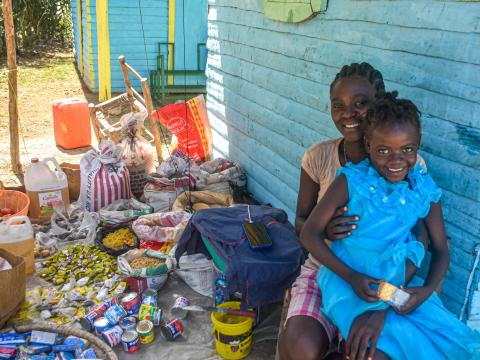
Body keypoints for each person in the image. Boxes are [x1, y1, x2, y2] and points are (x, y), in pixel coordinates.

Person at [301, 92, 480, 359]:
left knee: (447, 339)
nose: (396, 160)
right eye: (384, 150)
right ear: (368, 145)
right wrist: (351, 277)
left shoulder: (424, 189)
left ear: (418, 146)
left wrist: (425, 291)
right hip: (348, 281)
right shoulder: (351, 181)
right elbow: (309, 235)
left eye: (407, 149)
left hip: (395, 283)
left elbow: (441, 249)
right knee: (378, 350)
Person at [279, 62, 429, 360]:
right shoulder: (319, 157)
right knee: (299, 349)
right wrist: (323, 228)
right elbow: (301, 222)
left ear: (379, 106)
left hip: (383, 281)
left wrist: (386, 300)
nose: (349, 114)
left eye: (361, 104)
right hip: (324, 270)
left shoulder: (408, 167)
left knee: (369, 352)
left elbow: (419, 238)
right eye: (339, 106)